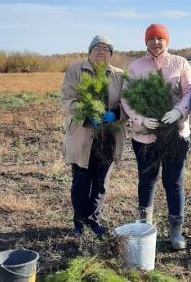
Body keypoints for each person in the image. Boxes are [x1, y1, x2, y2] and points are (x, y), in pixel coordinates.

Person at [121, 24, 191, 250]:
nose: (156, 42)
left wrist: (178, 111)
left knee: (174, 182)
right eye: (151, 38)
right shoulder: (135, 66)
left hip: (176, 134)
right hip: (144, 137)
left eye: (160, 38)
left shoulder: (180, 63)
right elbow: (127, 97)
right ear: (145, 41)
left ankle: (176, 230)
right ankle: (145, 227)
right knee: (147, 180)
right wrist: (140, 119)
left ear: (167, 41)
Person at [60, 35, 126, 237]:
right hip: (82, 135)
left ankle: (93, 219)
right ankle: (79, 220)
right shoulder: (75, 71)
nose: (101, 51)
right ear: (89, 51)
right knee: (81, 180)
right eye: (97, 48)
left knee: (101, 181)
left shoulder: (120, 75)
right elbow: (67, 101)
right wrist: (87, 114)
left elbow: (128, 104)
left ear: (111, 54)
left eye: (106, 49)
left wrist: (115, 114)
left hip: (109, 135)